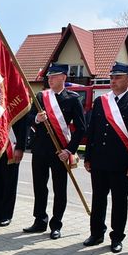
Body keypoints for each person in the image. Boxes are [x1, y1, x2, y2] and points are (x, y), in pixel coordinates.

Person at [84, 62, 128, 253]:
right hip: (99, 162)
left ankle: (117, 237)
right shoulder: (101, 101)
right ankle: (96, 233)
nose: (113, 81)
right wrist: (88, 158)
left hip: (121, 164)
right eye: (112, 77)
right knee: (98, 199)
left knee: (119, 202)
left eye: (118, 77)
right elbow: (93, 131)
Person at [23, 63, 85, 239]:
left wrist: (69, 150)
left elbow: (81, 129)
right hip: (40, 150)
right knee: (39, 187)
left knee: (60, 189)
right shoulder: (41, 96)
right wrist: (36, 118)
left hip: (60, 152)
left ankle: (56, 224)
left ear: (63, 77)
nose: (49, 79)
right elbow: (27, 119)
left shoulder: (72, 99)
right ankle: (39, 220)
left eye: (54, 76)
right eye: (48, 77)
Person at [0, 114, 27, 226]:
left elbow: (24, 127)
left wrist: (20, 148)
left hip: (11, 148)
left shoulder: (17, 102)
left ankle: (6, 215)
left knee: (9, 183)